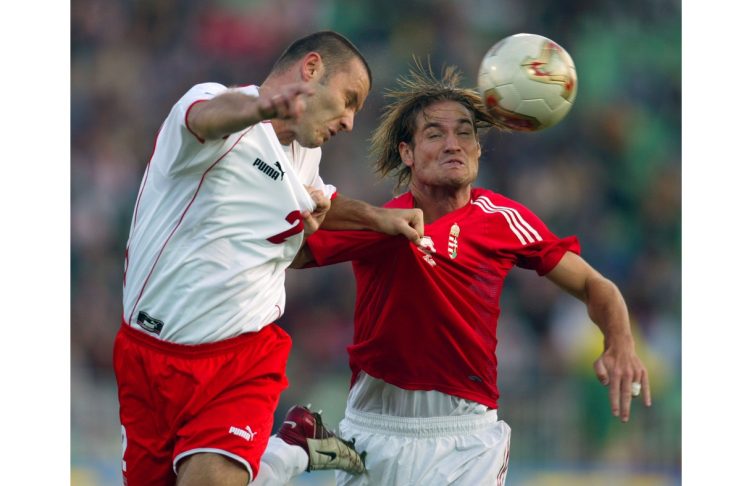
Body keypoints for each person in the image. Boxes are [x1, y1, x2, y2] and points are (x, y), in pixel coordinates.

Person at [289, 62, 653, 485]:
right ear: (406, 153)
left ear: (479, 149)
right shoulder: (381, 223)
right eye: (434, 134)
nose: (453, 144)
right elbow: (295, 255)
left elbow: (595, 284)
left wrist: (620, 342)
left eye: (465, 133)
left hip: (467, 439)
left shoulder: (502, 218)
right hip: (375, 434)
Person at [113, 31, 424, 486]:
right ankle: (293, 447)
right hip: (147, 358)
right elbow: (207, 119)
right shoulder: (211, 104)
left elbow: (316, 199)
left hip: (240, 358)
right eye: (348, 100)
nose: (350, 121)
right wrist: (263, 108)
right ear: (312, 68)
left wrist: (380, 219)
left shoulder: (305, 154)